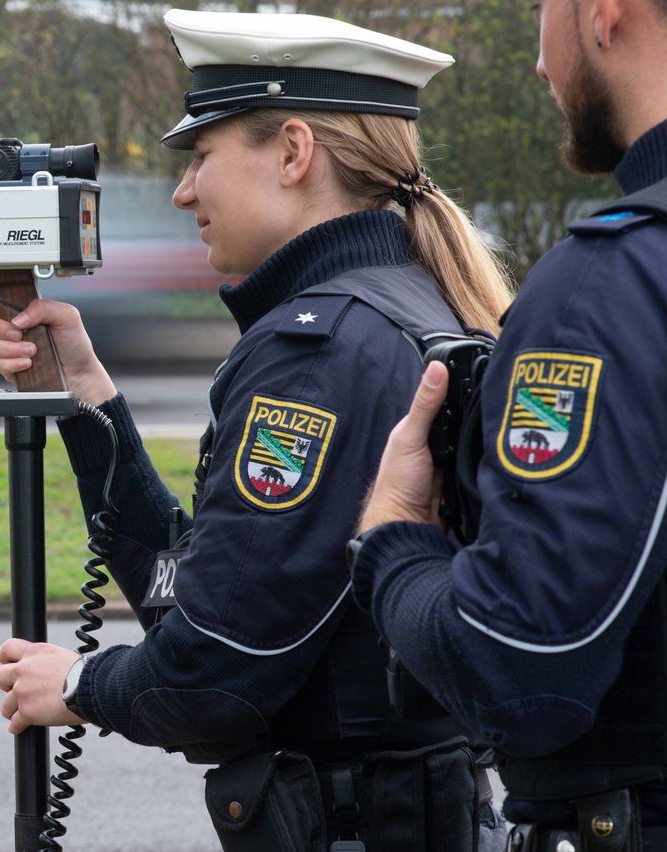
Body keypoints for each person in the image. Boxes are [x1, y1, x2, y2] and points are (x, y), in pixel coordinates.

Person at [0, 10, 517, 849]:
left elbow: (216, 671)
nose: (183, 191)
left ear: (294, 152)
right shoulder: (413, 299)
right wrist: (87, 397)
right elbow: (206, 594)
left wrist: (80, 682)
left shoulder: (317, 351)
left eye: (201, 156)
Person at [351, 0, 667, 848]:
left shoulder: (608, 288)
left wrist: (393, 544)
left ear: (606, 14)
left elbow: (523, 672)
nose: (537, 59)